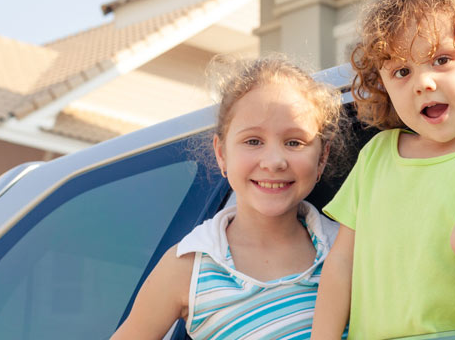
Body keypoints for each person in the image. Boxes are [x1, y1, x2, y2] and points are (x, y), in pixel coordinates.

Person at [311, 0, 455, 339]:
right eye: (401, 71)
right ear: (383, 84)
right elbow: (342, 263)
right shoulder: (377, 154)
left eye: (441, 60)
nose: (423, 82)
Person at [111, 56, 347, 340]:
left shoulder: (346, 248)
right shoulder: (188, 265)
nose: (274, 162)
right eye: (253, 141)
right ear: (222, 154)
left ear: (322, 158)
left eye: (294, 142)